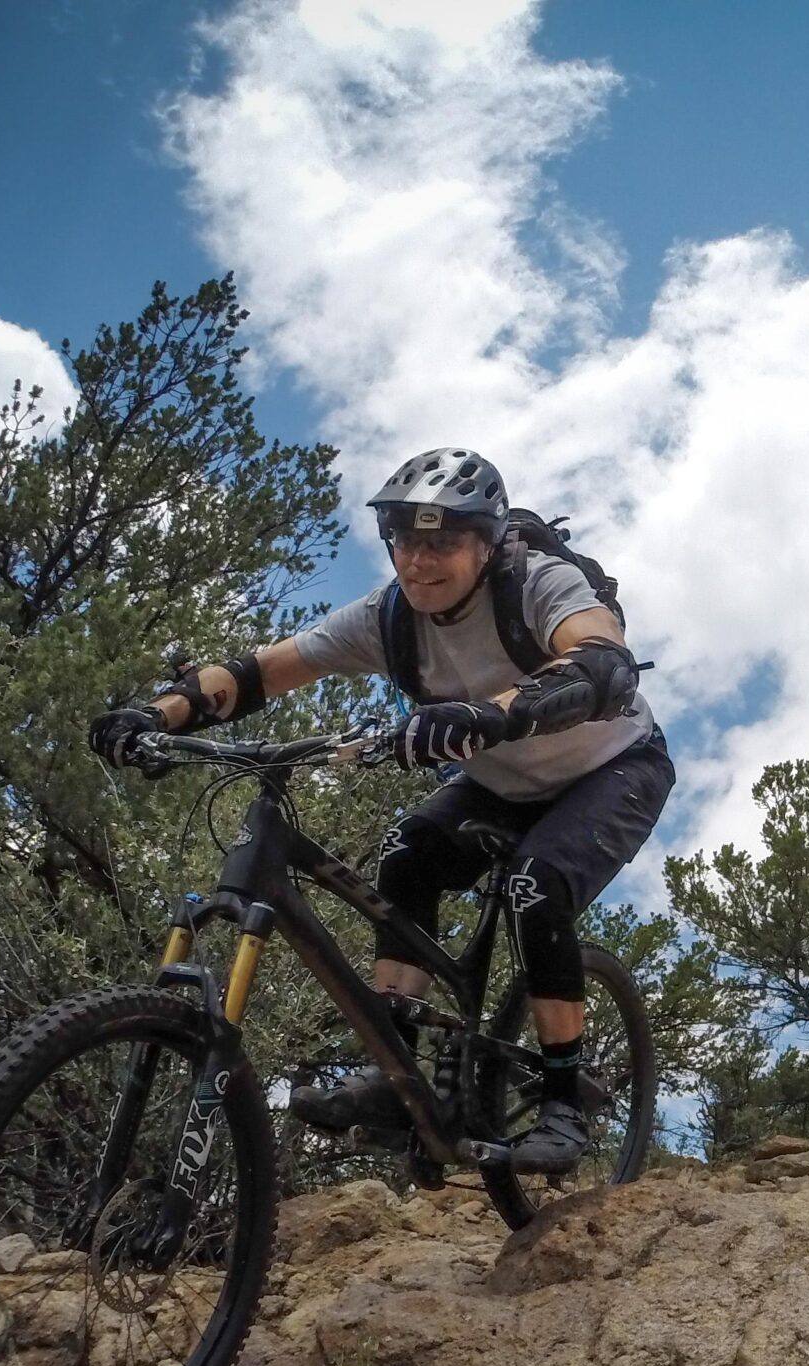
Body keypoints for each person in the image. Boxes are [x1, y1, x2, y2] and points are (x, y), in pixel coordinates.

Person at [87, 447, 672, 1174]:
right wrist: (158, 713)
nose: (420, 562)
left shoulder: (537, 584)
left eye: (443, 541)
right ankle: (398, 1071)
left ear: (486, 544)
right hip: (498, 781)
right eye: (404, 541)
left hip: (612, 768)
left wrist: (491, 712)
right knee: (407, 851)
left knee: (535, 885)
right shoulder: (389, 617)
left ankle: (561, 1103)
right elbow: (260, 672)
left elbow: (601, 660)